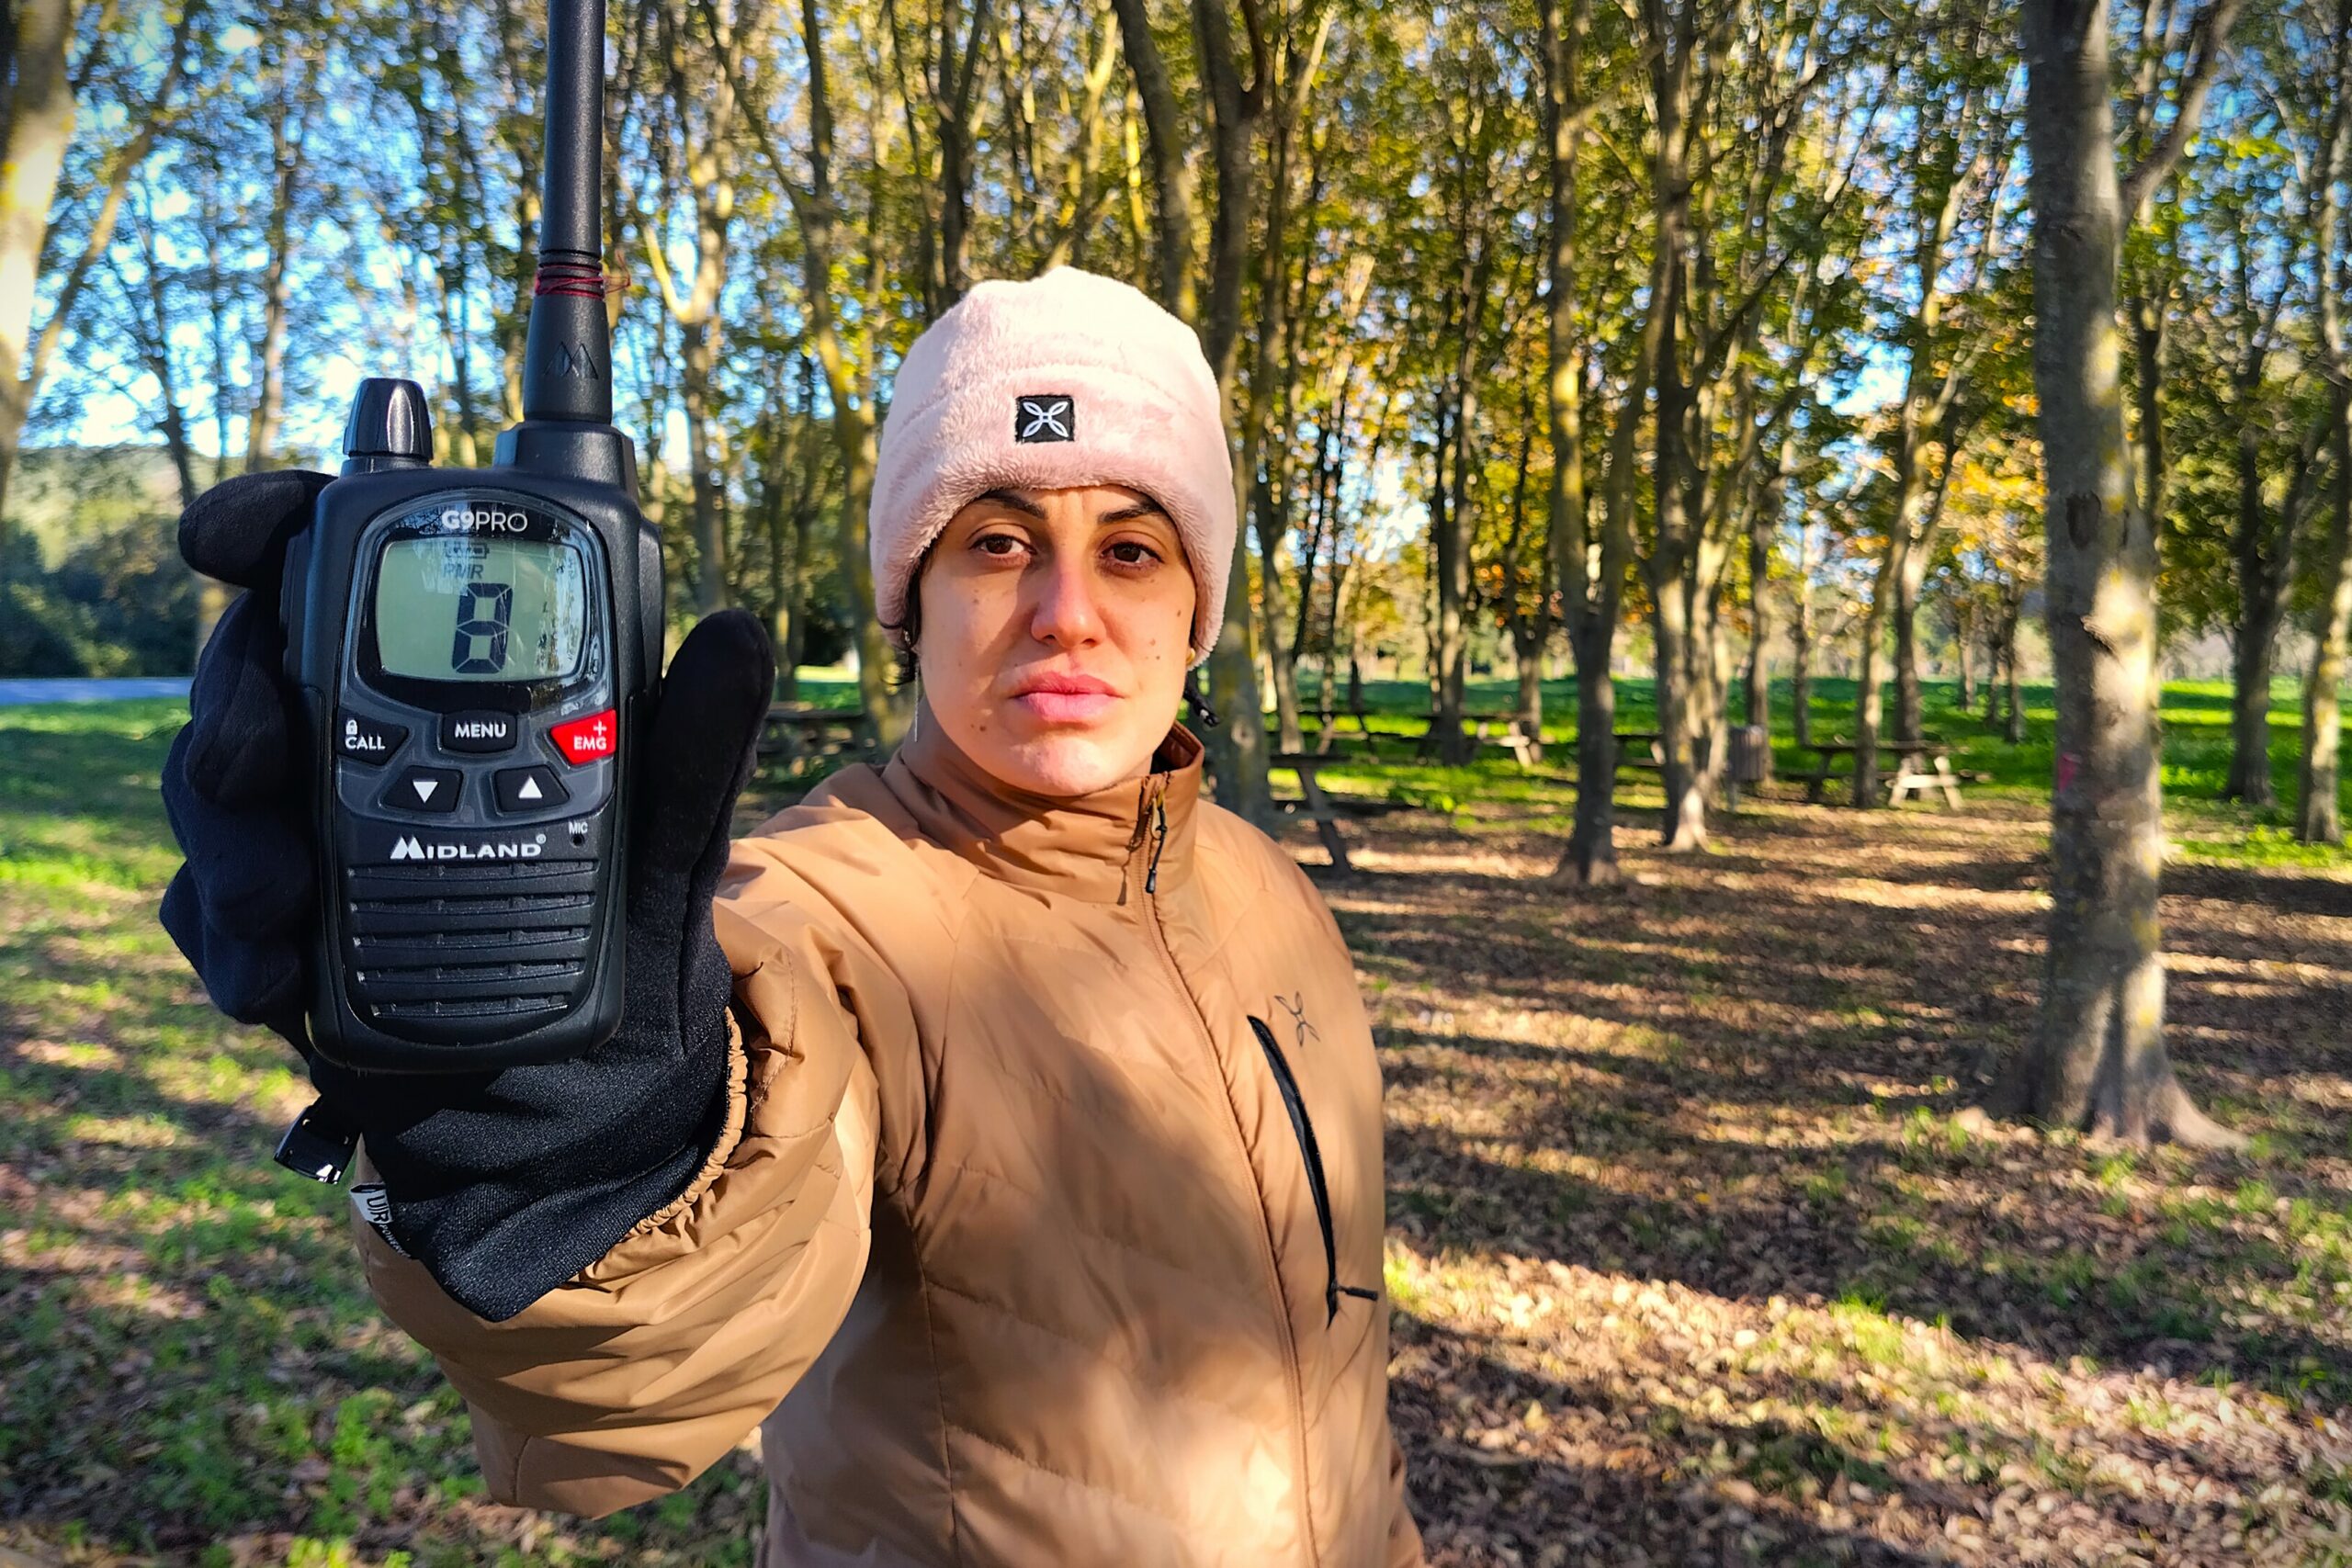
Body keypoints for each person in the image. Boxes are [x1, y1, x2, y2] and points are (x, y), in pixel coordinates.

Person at [161, 265, 1423, 1565]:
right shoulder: (820, 909)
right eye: (996, 541)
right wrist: (563, 1146)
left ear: (1194, 607)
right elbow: (672, 1329)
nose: (1069, 615)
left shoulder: (1270, 890)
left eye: (1132, 549)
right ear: (909, 601)